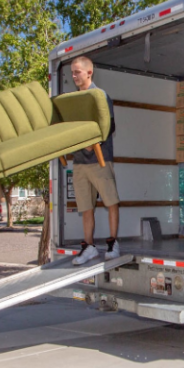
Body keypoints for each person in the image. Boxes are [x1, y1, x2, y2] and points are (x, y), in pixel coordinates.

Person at [68, 56, 121, 265]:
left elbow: (110, 124)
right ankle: (88, 247)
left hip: (100, 159)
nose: (74, 76)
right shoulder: (73, 99)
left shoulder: (100, 96)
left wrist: (95, 141)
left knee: (111, 202)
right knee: (86, 206)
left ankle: (113, 243)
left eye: (77, 72)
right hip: (80, 162)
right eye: (72, 73)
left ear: (89, 72)